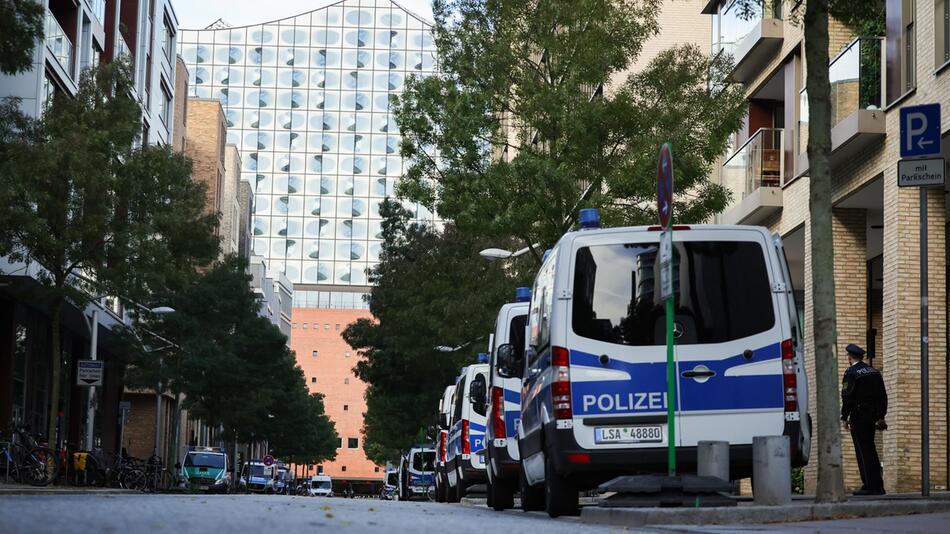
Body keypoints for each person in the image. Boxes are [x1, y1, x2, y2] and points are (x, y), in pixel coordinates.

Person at [841, 343, 888, 496]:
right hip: (873, 415)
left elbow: (847, 397)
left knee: (863, 451)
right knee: (871, 449)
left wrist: (844, 417)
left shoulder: (851, 373)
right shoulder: (874, 372)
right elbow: (883, 396)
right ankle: (878, 485)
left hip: (859, 415)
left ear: (849, 357)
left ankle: (869, 486)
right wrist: (881, 416)